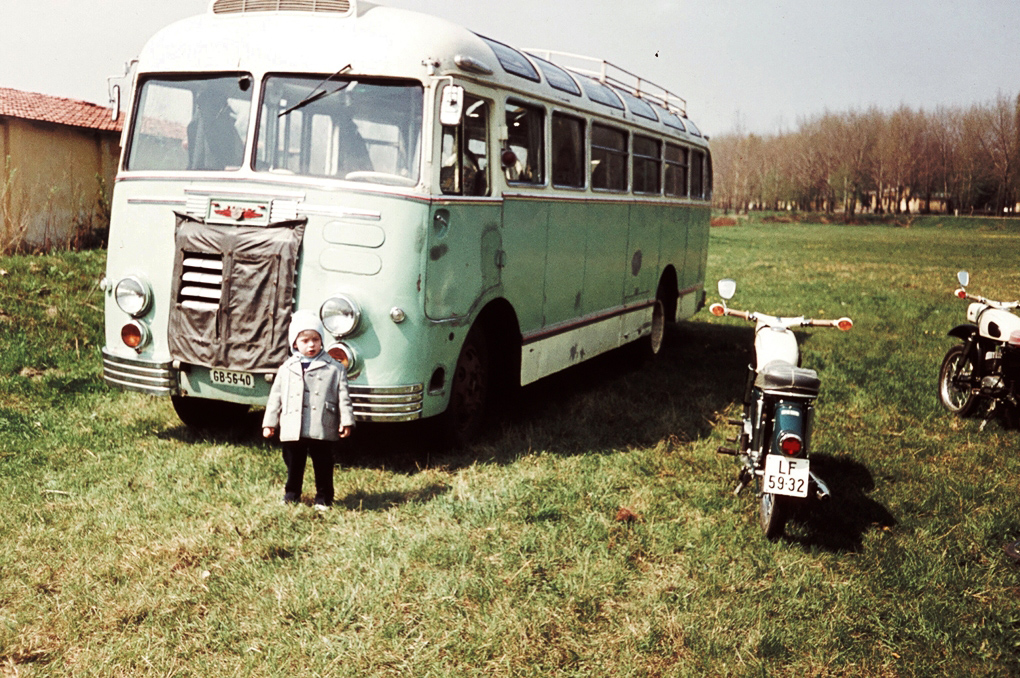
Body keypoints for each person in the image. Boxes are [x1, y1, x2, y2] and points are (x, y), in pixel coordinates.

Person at [262, 310, 354, 511]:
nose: (311, 345)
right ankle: (291, 494)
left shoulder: (334, 368)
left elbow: (343, 397)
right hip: (293, 425)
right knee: (293, 462)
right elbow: (275, 397)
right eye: (305, 341)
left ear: (322, 340)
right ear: (294, 343)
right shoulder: (287, 367)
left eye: (315, 339)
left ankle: (324, 498)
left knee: (323, 462)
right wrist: (269, 423)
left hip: (321, 423)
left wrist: (346, 420)